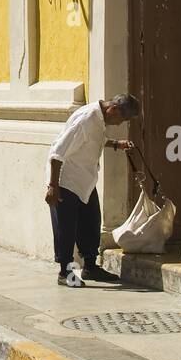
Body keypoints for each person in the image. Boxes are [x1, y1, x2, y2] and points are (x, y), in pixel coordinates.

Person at [46, 94, 140, 287]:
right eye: (123, 119)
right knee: (66, 229)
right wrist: (53, 186)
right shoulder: (86, 119)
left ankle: (90, 267)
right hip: (66, 180)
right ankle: (65, 273)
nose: (121, 123)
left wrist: (115, 144)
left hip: (84, 180)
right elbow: (57, 153)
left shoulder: (99, 119)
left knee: (91, 222)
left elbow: (94, 139)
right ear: (113, 109)